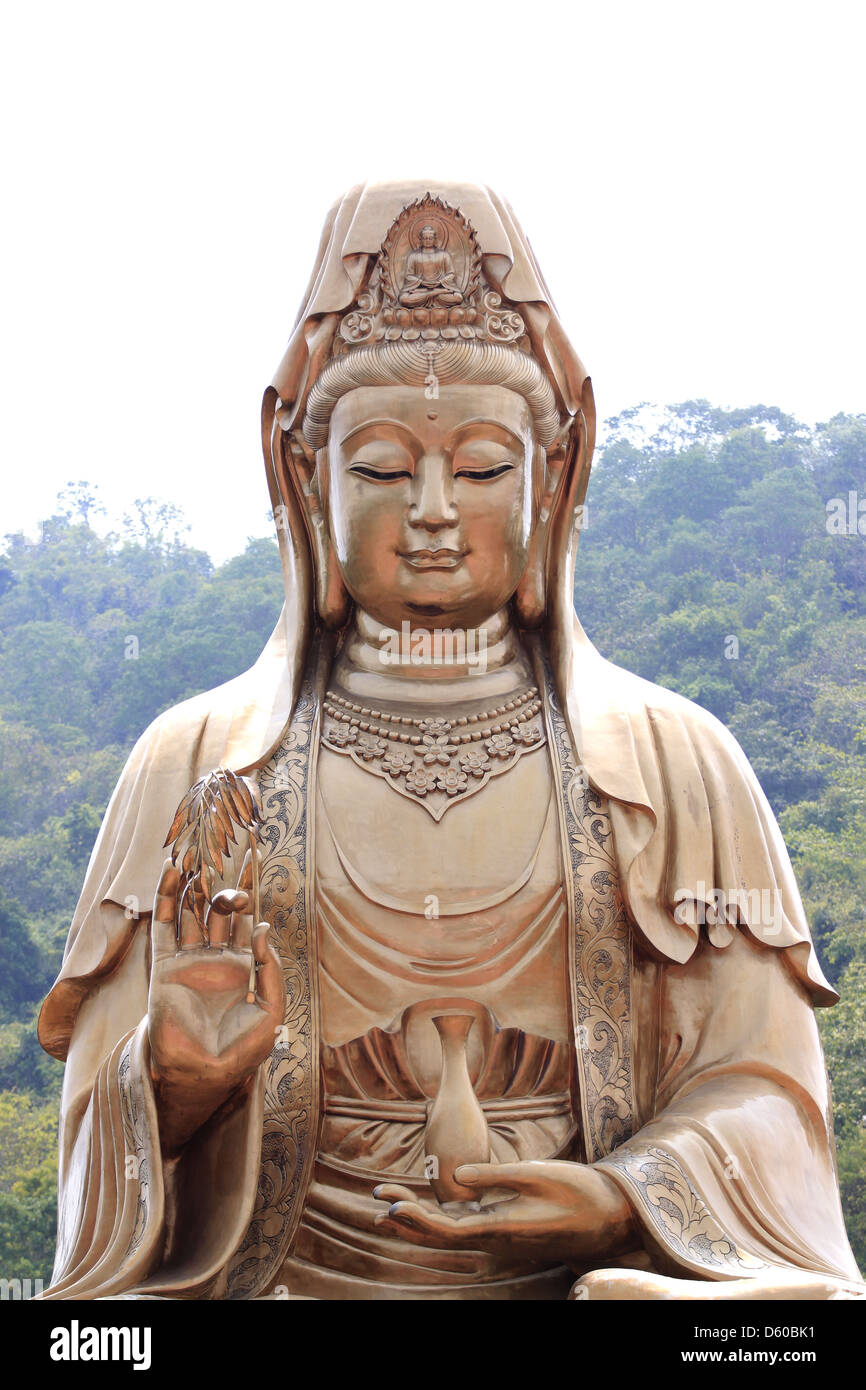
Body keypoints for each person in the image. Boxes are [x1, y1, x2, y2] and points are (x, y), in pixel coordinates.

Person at [37, 181, 862, 1300]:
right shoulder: (201, 767)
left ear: (552, 481)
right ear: (307, 487)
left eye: (479, 468)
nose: (431, 508)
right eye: (380, 468)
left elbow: (766, 1089)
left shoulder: (675, 761)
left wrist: (625, 1196)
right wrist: (173, 1077)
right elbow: (93, 1155)